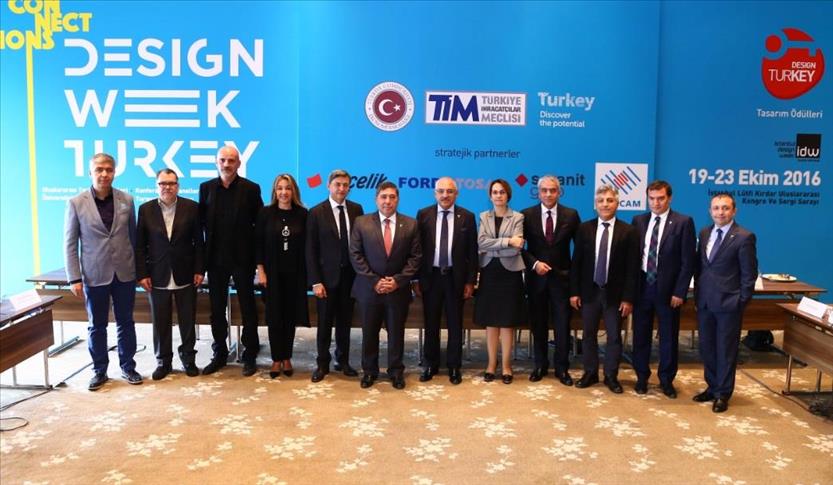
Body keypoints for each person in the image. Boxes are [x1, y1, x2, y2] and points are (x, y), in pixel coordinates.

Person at [64, 153, 142, 390]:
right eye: (99, 169)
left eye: (109, 169)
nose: (104, 174)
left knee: (126, 322)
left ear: (114, 172)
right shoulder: (76, 203)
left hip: (124, 273)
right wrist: (74, 277)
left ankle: (128, 366)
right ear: (90, 172)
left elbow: (133, 238)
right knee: (97, 325)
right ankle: (99, 371)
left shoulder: (126, 199)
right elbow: (70, 243)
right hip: (94, 274)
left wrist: (138, 271)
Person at [349, 181, 421, 390]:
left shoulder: (411, 224)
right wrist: (375, 280)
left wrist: (397, 281)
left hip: (397, 291)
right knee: (369, 333)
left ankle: (396, 372)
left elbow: (415, 257)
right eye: (383, 197)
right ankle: (369, 371)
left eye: (392, 197)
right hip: (369, 289)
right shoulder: (361, 222)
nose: (387, 201)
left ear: (397, 199)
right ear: (376, 199)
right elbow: (355, 254)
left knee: (396, 334)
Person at [199, 146, 263, 376]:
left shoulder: (251, 189)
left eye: (231, 160)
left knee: (248, 308)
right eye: (223, 160)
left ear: (238, 163)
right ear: (216, 162)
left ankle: (250, 354)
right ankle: (220, 353)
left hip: (243, 259)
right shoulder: (206, 188)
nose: (226, 164)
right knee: (217, 310)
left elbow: (259, 226)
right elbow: (202, 225)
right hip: (215, 260)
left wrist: (259, 263)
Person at [135, 169, 205, 380]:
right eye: (163, 183)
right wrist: (142, 274)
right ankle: (163, 361)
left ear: (178, 186)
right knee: (160, 322)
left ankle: (188, 359)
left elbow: (199, 242)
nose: (167, 187)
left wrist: (199, 269)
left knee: (187, 321)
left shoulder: (191, 207)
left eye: (171, 183)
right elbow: (140, 246)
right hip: (157, 274)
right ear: (156, 186)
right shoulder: (146, 209)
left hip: (186, 273)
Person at [570, 185, 639, 394]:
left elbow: (632, 267)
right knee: (588, 335)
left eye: (610, 200)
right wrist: (574, 292)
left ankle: (611, 376)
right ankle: (590, 373)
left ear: (617, 203)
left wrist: (628, 298)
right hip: (589, 292)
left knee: (614, 337)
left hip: (615, 295)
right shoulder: (584, 229)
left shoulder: (629, 231)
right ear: (595, 205)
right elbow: (577, 263)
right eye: (601, 201)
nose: (605, 204)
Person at [630, 180, 696, 398]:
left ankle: (666, 380)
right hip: (642, 287)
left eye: (660, 198)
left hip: (669, 291)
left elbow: (688, 262)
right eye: (652, 198)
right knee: (640, 336)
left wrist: (680, 291)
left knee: (668, 338)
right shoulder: (638, 220)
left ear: (669, 198)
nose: (656, 203)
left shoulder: (683, 222)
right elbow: (633, 258)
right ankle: (641, 377)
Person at [693, 192, 758, 413]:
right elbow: (702, 267)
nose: (720, 212)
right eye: (716, 208)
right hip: (705, 303)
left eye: (725, 208)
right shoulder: (704, 233)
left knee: (726, 350)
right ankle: (712, 387)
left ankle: (723, 393)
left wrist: (741, 301)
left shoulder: (744, 237)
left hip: (729, 305)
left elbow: (749, 274)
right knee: (707, 348)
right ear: (710, 211)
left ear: (734, 211)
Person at [414, 177, 478, 385]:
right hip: (430, 277)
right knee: (430, 323)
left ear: (456, 194)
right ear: (435, 194)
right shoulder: (423, 215)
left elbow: (472, 252)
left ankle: (454, 366)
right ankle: (430, 364)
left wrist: (470, 281)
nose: (445, 195)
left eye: (449, 191)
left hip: (455, 278)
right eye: (441, 191)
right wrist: (416, 279)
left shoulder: (467, 217)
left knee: (455, 323)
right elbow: (417, 250)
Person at [521, 175, 580, 386]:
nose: (548, 194)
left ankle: (562, 368)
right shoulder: (526, 215)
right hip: (536, 279)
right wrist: (535, 263)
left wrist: (574, 278)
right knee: (538, 324)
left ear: (559, 192)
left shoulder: (571, 215)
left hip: (562, 280)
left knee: (562, 325)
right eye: (544, 190)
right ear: (538, 193)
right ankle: (540, 365)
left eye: (552, 190)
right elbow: (520, 248)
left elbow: (580, 249)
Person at [306, 169, 364, 382]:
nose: (341, 188)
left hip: (350, 277)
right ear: (328, 186)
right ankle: (322, 363)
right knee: (324, 324)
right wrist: (315, 281)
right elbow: (310, 250)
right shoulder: (316, 212)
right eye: (337, 184)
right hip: (326, 279)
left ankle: (343, 360)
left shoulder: (357, 209)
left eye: (345, 185)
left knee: (344, 323)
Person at [256, 174, 310, 379]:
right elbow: (258, 243)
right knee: (274, 317)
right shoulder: (265, 213)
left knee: (289, 317)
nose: (284, 192)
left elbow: (308, 246)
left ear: (293, 191)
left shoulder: (303, 214)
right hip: (272, 274)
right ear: (274, 191)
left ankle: (287, 357)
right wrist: (261, 270)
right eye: (280, 188)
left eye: (287, 188)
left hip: (295, 274)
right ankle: (276, 359)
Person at [475, 179, 526, 384]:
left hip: (510, 273)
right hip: (489, 272)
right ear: (490, 196)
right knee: (491, 322)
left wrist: (495, 246)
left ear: (508, 195)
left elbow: (517, 247)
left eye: (502, 192)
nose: (498, 195)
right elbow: (481, 243)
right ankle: (490, 364)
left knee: (507, 321)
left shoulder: (518, 217)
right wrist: (507, 241)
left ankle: (506, 366)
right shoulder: (483, 216)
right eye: (495, 192)